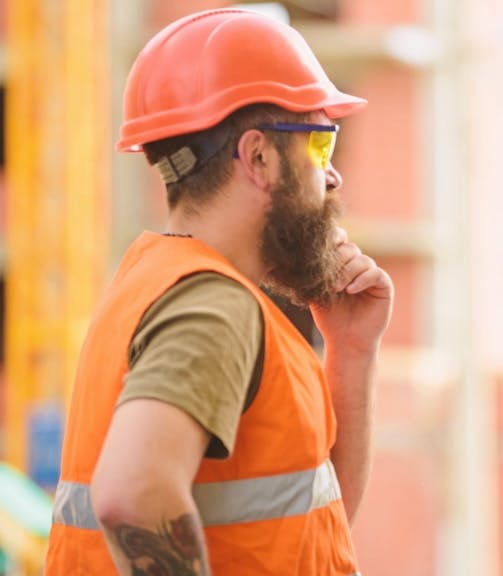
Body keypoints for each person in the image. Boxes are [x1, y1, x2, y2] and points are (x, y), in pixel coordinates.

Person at [44, 9, 392, 575]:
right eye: (320, 145)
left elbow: (310, 528)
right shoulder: (212, 305)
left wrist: (352, 350)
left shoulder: (169, 281)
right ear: (258, 157)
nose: (332, 177)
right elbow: (132, 495)